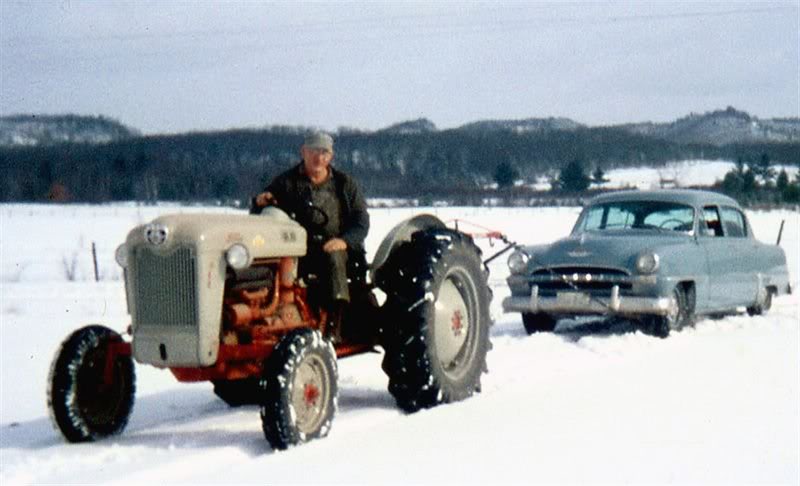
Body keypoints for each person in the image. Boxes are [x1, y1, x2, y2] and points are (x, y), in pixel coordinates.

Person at [252, 132, 370, 341]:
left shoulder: (344, 184)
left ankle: (335, 323)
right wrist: (260, 201)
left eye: (324, 153)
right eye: (314, 151)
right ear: (303, 152)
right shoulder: (286, 182)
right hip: (298, 249)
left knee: (334, 257)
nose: (319, 157)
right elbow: (263, 212)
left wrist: (344, 241)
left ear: (331, 156)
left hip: (337, 249)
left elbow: (361, 223)